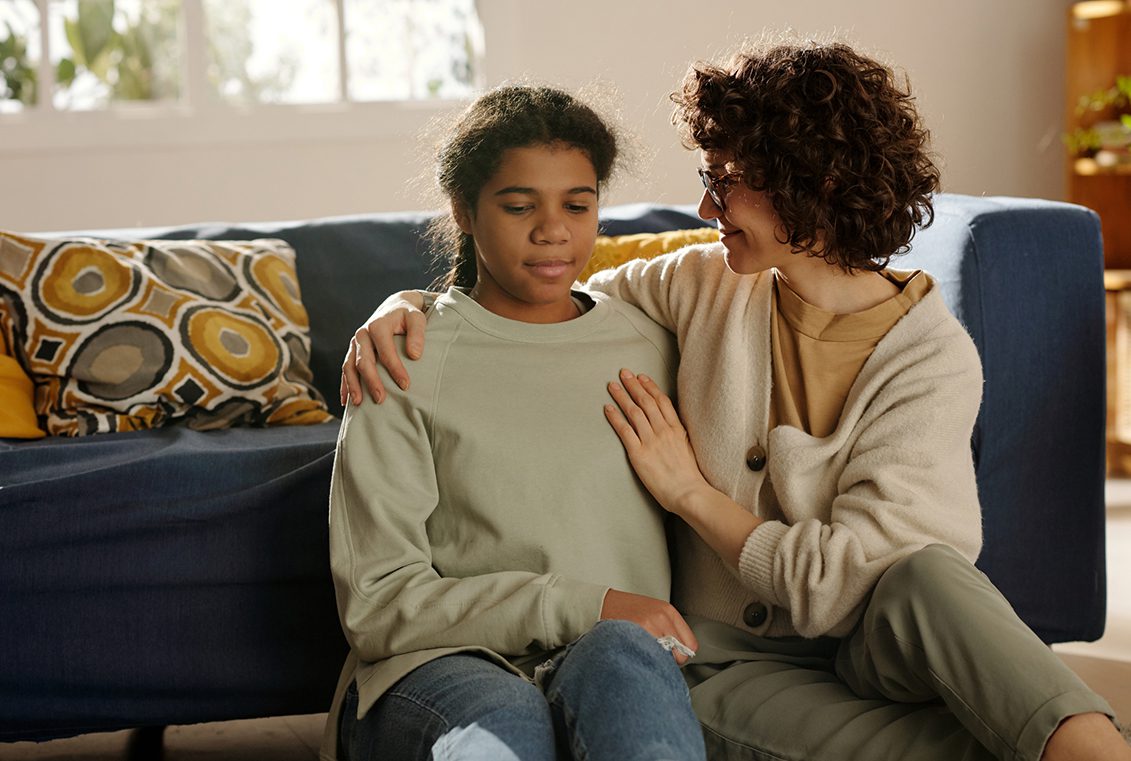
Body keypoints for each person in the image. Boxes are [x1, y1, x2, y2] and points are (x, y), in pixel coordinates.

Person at [340, 41, 1130, 761]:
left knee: (929, 574)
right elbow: (538, 299)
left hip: (874, 640)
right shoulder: (702, 285)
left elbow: (851, 584)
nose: (705, 210)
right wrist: (405, 305)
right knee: (987, 743)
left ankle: (1092, 743)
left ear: (807, 183)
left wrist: (692, 494)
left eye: (723, 182)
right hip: (722, 663)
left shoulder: (929, 357)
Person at [322, 84, 707, 761]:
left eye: (577, 205)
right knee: (508, 727)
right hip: (438, 664)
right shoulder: (401, 356)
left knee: (629, 678)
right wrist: (583, 603)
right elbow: (378, 606)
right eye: (519, 205)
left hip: (613, 649)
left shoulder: (655, 343)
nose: (552, 230)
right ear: (463, 210)